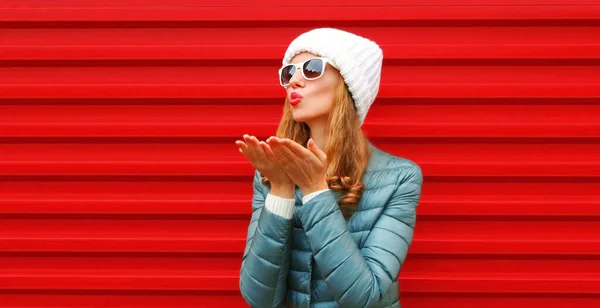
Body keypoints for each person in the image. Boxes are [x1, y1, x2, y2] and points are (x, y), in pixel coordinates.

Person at [235, 27, 423, 308]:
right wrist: (281, 189)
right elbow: (260, 298)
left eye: (312, 69)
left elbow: (365, 298)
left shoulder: (400, 178)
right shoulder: (274, 172)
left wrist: (314, 190)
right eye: (289, 73)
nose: (294, 81)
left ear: (348, 85)